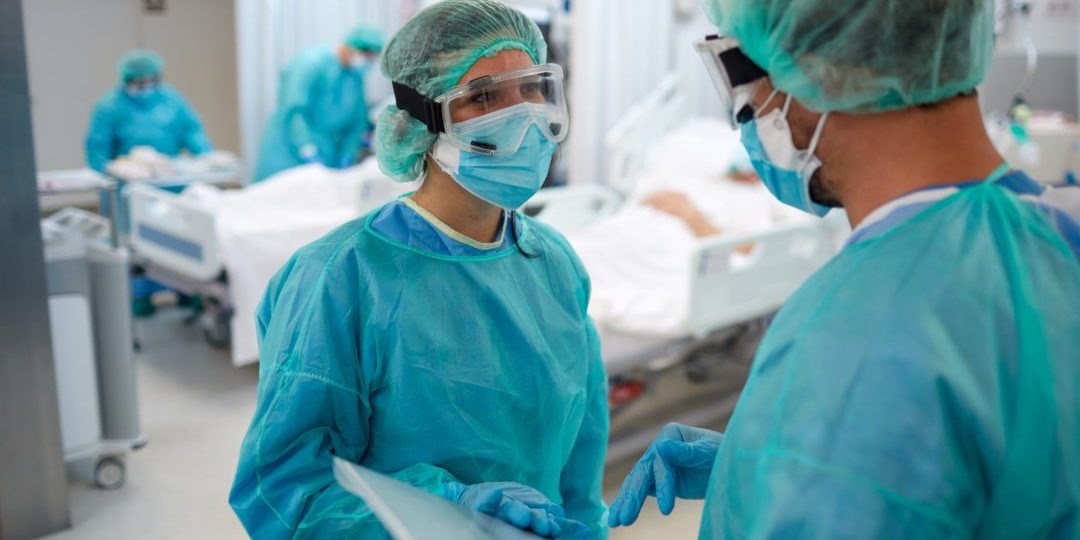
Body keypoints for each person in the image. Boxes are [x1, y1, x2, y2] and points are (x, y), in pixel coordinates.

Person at [609, 0, 1080, 537]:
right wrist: (762, 462)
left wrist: (817, 460)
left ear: (829, 65)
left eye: (739, 66)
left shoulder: (857, 341)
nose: (746, 108)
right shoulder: (1061, 229)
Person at [230, 1, 608, 538]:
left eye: (530, 88)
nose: (522, 114)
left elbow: (581, 447)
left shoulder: (555, 264)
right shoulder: (339, 280)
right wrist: (446, 506)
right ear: (421, 122)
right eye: (484, 97)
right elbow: (286, 491)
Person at [86, 49, 214, 316]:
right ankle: (140, 295)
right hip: (131, 189)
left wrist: (206, 159)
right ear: (126, 80)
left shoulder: (171, 100)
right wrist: (114, 168)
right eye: (138, 82)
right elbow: (97, 147)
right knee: (138, 244)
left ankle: (187, 290)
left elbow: (192, 130)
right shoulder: (110, 106)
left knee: (179, 238)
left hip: (171, 184)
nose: (145, 87)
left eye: (149, 81)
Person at [253, 25, 385, 182]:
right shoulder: (309, 64)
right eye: (367, 57)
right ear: (351, 47)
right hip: (286, 153)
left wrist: (348, 152)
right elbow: (294, 110)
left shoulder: (355, 76)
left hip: (325, 155)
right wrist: (305, 147)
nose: (368, 63)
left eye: (373, 59)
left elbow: (358, 121)